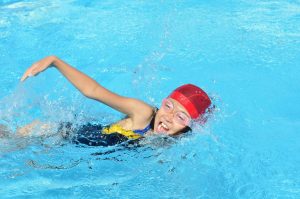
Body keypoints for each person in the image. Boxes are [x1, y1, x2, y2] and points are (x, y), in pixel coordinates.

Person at [19, 56, 212, 146]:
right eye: (168, 106)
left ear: (189, 127)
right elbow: (93, 91)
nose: (168, 117)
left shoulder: (172, 140)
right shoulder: (143, 113)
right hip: (64, 134)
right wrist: (55, 62)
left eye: (180, 117)